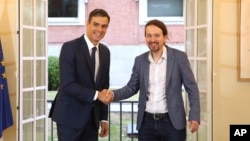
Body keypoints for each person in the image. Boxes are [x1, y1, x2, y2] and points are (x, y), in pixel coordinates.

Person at [105, 19, 200, 141]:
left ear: (165, 37)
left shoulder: (179, 57)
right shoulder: (140, 60)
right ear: (145, 37)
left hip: (172, 123)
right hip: (146, 124)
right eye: (149, 35)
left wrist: (194, 115)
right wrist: (112, 94)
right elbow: (132, 87)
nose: (152, 39)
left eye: (157, 35)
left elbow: (192, 88)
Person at [49, 9, 113, 141]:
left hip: (92, 121)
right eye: (96, 24)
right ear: (87, 24)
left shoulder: (105, 52)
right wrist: (96, 95)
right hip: (69, 118)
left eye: (104, 26)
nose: (99, 29)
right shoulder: (70, 48)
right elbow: (68, 85)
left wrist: (103, 118)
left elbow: (104, 87)